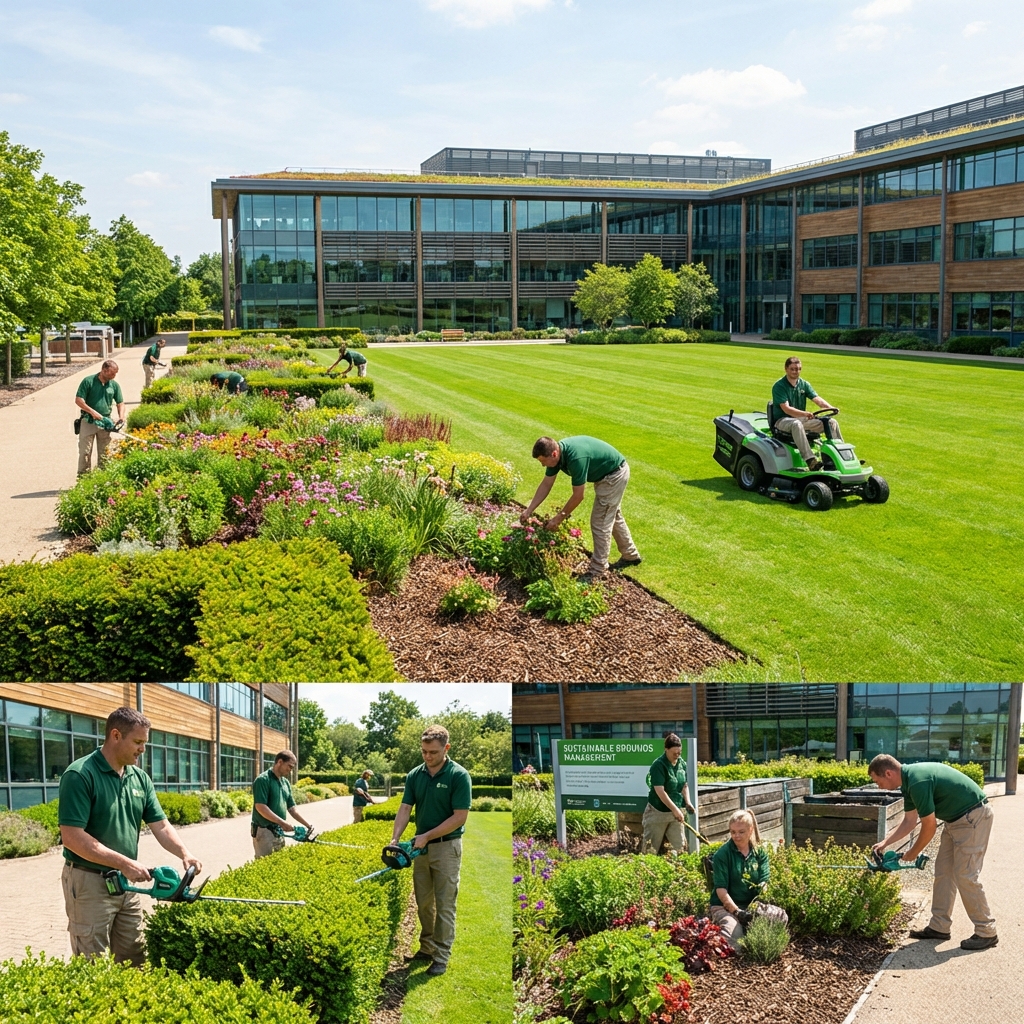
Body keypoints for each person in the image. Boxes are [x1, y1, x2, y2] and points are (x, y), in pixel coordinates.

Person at [58, 706, 202, 966]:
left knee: (134, 956)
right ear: (115, 735)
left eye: (145, 743)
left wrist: (185, 853)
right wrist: (124, 863)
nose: (143, 749)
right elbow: (71, 836)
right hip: (89, 882)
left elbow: (161, 825)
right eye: (138, 742)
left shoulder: (140, 778)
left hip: (125, 884)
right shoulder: (80, 774)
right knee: (93, 963)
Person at [869, 753, 996, 950]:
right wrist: (885, 843)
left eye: (878, 782)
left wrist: (913, 852)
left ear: (888, 773)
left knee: (965, 875)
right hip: (955, 821)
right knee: (944, 873)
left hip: (973, 817)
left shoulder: (918, 781)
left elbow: (929, 826)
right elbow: (910, 821)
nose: (878, 786)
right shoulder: (908, 783)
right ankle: (940, 927)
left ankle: (986, 931)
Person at [391, 725, 472, 977]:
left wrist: (426, 836)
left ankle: (441, 956)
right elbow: (405, 808)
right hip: (420, 849)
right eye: (424, 751)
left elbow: (460, 817)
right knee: (424, 903)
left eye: (433, 752)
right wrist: (395, 838)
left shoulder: (458, 775)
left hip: (447, 848)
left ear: (446, 748)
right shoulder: (415, 775)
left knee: (445, 904)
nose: (427, 756)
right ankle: (426, 948)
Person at [522, 435, 641, 579]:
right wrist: (529, 510)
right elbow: (546, 484)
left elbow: (578, 496)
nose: (542, 465)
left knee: (600, 521)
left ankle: (597, 570)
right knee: (611, 515)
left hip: (613, 475)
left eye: (543, 461)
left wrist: (558, 518)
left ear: (554, 453)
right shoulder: (556, 457)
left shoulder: (576, 459)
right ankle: (630, 555)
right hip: (606, 473)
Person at [708, 809, 789, 949]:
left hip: (750, 905)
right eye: (733, 832)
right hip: (725, 906)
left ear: (750, 830)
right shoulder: (722, 855)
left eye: (741, 832)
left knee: (780, 916)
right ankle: (731, 927)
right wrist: (737, 912)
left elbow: (764, 880)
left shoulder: (759, 852)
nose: (736, 836)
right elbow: (721, 890)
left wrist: (762, 894)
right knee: (734, 943)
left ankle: (756, 941)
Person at [771, 356, 843, 471]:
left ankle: (840, 457)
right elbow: (786, 409)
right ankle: (811, 461)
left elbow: (817, 399)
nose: (796, 371)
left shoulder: (804, 384)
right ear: (786, 369)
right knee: (796, 424)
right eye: (793, 369)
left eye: (798, 369)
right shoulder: (779, 386)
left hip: (801, 420)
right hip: (783, 421)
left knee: (831, 422)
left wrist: (830, 408)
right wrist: (804, 414)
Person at [251, 749, 314, 858]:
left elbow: (292, 809)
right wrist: (282, 823)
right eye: (289, 766)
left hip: (278, 830)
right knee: (265, 864)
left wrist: (308, 825)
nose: (291, 770)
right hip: (264, 830)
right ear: (280, 762)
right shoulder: (263, 780)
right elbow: (260, 807)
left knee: (278, 862)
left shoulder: (285, 783)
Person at [643, 732, 696, 855]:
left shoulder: (681, 763)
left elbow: (684, 785)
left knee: (680, 848)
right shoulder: (658, 765)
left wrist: (688, 802)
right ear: (666, 749)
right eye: (674, 753)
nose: (677, 756)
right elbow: (660, 791)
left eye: (679, 753)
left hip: (675, 814)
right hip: (657, 812)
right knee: (650, 850)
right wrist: (675, 810)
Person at [75, 360, 125, 476]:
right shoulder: (88, 381)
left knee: (105, 453)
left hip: (105, 423)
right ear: (104, 370)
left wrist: (121, 417)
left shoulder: (114, 385)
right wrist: (92, 412)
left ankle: (103, 477)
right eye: (112, 373)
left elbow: (120, 403)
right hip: (88, 421)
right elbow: (79, 400)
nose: (114, 376)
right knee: (85, 452)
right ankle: (83, 478)